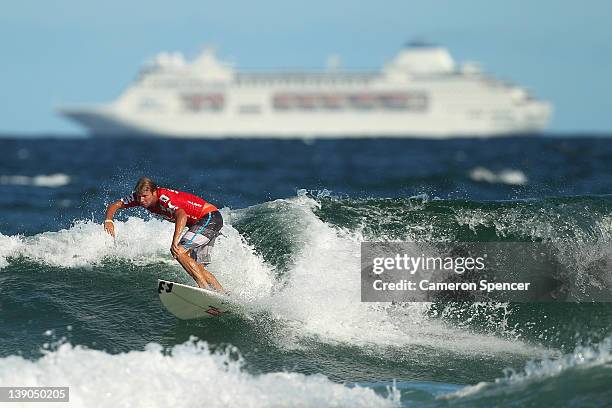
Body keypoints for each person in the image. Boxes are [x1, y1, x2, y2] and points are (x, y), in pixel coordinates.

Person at [103, 177, 224, 292]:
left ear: (154, 192)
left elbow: (181, 215)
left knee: (179, 251)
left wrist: (175, 241)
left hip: (209, 218)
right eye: (139, 197)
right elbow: (116, 205)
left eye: (145, 196)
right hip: (207, 221)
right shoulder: (139, 197)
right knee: (199, 267)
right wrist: (109, 220)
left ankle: (204, 289)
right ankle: (222, 295)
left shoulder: (164, 198)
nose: (141, 200)